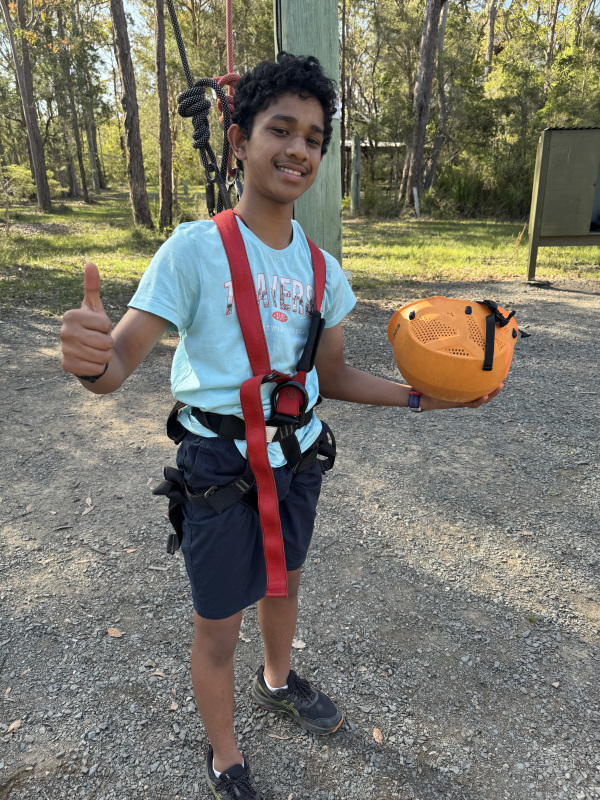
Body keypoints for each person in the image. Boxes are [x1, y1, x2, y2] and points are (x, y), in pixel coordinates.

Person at [60, 52, 502, 800]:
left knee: (284, 582)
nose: (299, 149)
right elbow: (118, 365)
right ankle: (225, 755)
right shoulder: (194, 250)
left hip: (296, 459)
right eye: (281, 129)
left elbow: (333, 376)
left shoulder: (324, 272)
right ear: (239, 140)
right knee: (217, 623)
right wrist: (91, 361)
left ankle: (276, 679)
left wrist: (424, 400)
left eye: (314, 138)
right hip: (218, 468)